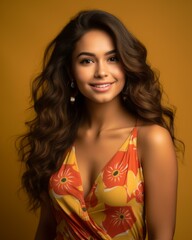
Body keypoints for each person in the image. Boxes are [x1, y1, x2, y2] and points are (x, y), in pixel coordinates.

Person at [18, 9, 181, 240]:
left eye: (113, 58)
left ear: (126, 64)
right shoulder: (56, 137)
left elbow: (162, 236)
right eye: (87, 61)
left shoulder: (151, 139)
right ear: (70, 71)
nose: (101, 72)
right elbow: (46, 228)